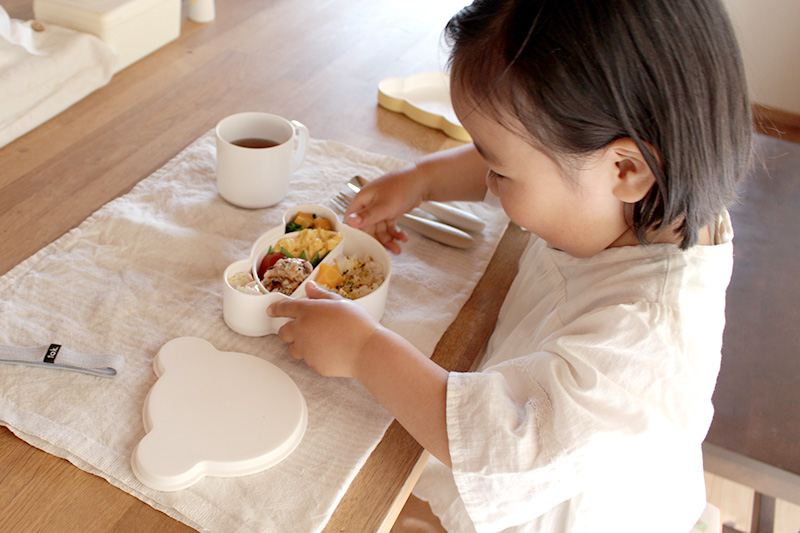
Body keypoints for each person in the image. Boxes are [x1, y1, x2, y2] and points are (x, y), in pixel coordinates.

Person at [268, 0, 753, 530]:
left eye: (500, 172)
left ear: (627, 168)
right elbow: (517, 156)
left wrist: (363, 350)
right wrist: (423, 180)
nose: (490, 182)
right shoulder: (636, 199)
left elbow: (499, 442)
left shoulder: (644, 342)